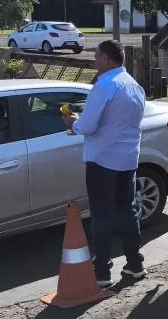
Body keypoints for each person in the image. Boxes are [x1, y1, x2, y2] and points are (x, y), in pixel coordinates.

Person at [62, 40, 146, 287]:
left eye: (97, 56)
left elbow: (88, 126)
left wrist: (74, 123)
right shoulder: (135, 86)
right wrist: (81, 124)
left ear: (107, 59)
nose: (94, 60)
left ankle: (101, 272)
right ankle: (134, 264)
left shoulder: (104, 85)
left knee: (101, 216)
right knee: (127, 211)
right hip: (128, 159)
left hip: (102, 160)